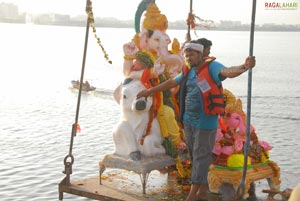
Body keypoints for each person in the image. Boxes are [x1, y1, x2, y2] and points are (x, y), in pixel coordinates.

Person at [137, 40, 256, 201]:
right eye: (186, 55)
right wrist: (150, 91)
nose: (189, 57)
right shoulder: (188, 69)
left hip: (205, 123)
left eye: (192, 54)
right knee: (195, 156)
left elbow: (227, 71)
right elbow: (172, 82)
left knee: (201, 156)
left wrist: (243, 67)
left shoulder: (212, 67)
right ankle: (203, 191)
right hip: (189, 122)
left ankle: (192, 195)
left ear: (200, 54)